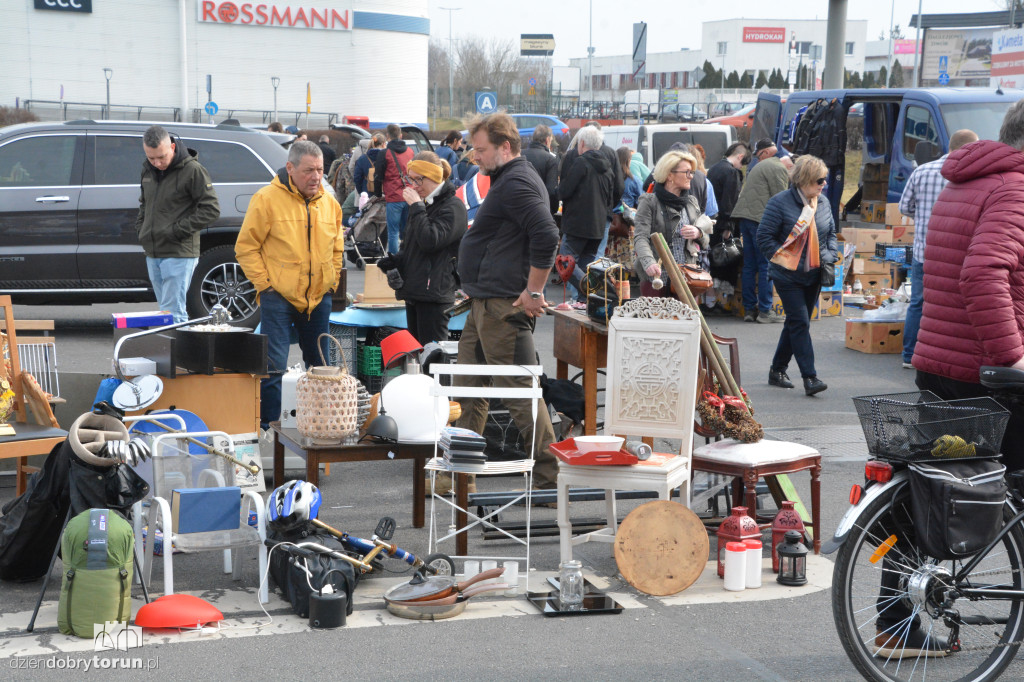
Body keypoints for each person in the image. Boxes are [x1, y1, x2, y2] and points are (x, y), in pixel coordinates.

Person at [914, 100, 1024, 473]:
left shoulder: (969, 182)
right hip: (987, 374)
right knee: (1000, 487)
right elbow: (982, 273)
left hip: (943, 361)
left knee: (950, 487)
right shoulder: (1014, 190)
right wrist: (1012, 357)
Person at [455, 113, 561, 491]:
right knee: (469, 389)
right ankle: (460, 475)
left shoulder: (516, 182)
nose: (475, 157)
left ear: (505, 147)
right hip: (485, 304)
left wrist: (534, 291)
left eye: (481, 150)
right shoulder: (509, 179)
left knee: (520, 395)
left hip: (503, 307)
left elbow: (547, 235)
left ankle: (552, 482)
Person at [235, 140, 344, 431]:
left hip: (319, 297)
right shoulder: (266, 199)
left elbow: (337, 247)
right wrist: (266, 287)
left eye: (320, 170)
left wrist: (331, 280)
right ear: (290, 168)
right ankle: (268, 431)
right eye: (309, 170)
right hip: (278, 298)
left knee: (322, 366)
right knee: (273, 367)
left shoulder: (330, 204)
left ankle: (322, 426)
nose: (316, 176)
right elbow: (246, 247)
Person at [757, 155, 838, 396]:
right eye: (819, 180)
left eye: (825, 180)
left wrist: (830, 255)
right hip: (787, 276)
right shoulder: (779, 203)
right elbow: (764, 237)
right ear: (804, 180)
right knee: (801, 322)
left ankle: (777, 369)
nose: (824, 185)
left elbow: (832, 233)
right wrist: (782, 259)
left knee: (795, 322)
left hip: (815, 274)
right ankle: (810, 377)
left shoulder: (822, 202)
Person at [898, 128, 978, 369]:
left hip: (924, 250)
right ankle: (945, 355)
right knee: (952, 305)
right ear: (969, 148)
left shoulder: (922, 171)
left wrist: (923, 216)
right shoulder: (972, 175)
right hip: (957, 255)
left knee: (918, 303)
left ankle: (909, 355)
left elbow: (904, 207)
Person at [376, 151, 468, 345]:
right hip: (415, 292)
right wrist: (394, 264)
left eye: (419, 180)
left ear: (434, 177)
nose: (414, 186)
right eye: (411, 180)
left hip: (435, 295)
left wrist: (417, 207)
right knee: (416, 357)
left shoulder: (453, 206)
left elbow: (430, 241)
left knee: (431, 359)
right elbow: (412, 248)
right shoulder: (422, 204)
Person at [136, 125, 220, 323]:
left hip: (179, 251)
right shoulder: (147, 169)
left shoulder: (193, 170)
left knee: (173, 313)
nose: (157, 163)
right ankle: (174, 352)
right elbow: (144, 203)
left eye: (161, 157)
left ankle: (179, 353)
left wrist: (177, 231)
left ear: (172, 147)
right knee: (167, 312)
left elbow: (211, 209)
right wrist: (142, 228)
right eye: (151, 158)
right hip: (154, 250)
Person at [632, 150, 713, 296]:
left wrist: (698, 232)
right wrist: (649, 262)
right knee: (656, 318)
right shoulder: (649, 201)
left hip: (686, 278)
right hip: (657, 279)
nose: (691, 177)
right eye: (687, 172)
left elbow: (706, 241)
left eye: (692, 172)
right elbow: (640, 237)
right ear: (670, 175)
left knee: (685, 319)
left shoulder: (691, 202)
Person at [556, 126, 617, 309]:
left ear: (581, 143)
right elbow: (612, 195)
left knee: (564, 261)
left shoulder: (581, 163)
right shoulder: (608, 168)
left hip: (577, 222)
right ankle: (586, 300)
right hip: (598, 225)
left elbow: (565, 191)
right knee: (587, 263)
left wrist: (555, 191)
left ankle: (593, 289)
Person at [733, 138, 791, 323]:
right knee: (767, 264)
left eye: (758, 155)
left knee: (750, 265)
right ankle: (765, 311)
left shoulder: (761, 167)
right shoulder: (777, 167)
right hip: (760, 220)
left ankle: (749, 310)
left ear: (766, 153)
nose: (757, 159)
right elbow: (781, 199)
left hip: (746, 218)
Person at [705, 142, 749, 311]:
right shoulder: (731, 172)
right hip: (723, 224)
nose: (742, 166)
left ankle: (709, 300)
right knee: (723, 262)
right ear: (739, 157)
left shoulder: (715, 168)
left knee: (711, 261)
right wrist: (729, 226)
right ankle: (717, 302)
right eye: (743, 162)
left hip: (711, 222)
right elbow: (729, 202)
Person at [373, 123, 414, 254]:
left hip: (393, 197)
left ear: (387, 136)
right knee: (406, 231)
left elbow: (378, 176)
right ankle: (407, 258)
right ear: (401, 136)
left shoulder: (385, 153)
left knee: (393, 232)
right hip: (409, 195)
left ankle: (394, 261)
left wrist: (378, 193)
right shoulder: (410, 152)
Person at [522, 125, 559, 216]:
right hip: (540, 212)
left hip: (520, 207)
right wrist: (552, 210)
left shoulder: (519, 155)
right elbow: (551, 190)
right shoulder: (550, 160)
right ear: (547, 140)